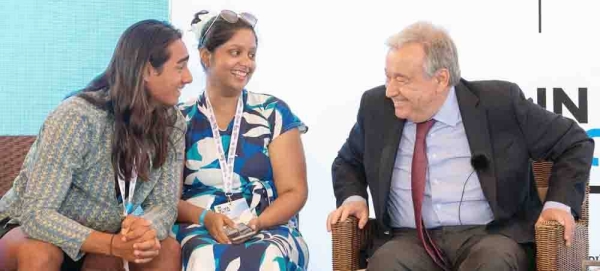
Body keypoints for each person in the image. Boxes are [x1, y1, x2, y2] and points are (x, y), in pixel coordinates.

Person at [326, 21, 594, 271]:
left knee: (493, 261)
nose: (390, 91)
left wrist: (557, 203)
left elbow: (574, 143)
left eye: (402, 80)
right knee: (386, 265)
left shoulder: (499, 102)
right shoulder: (376, 107)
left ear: (441, 79)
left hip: (490, 234)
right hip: (409, 239)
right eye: (388, 77)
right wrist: (354, 198)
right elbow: (347, 161)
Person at [0, 19, 192, 271]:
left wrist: (145, 230)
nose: (187, 78)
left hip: (105, 234)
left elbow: (164, 205)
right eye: (180, 67)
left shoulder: (173, 123)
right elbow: (37, 214)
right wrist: (111, 244)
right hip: (29, 228)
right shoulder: (77, 117)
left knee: (165, 249)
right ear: (146, 71)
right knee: (40, 253)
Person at [173, 10, 309, 271]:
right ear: (206, 56)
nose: (246, 62)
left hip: (268, 225)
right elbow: (168, 198)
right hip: (201, 226)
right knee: (204, 257)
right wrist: (207, 218)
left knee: (268, 254)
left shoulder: (273, 112)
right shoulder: (179, 118)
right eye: (235, 52)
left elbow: (295, 191)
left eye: (251, 54)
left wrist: (257, 223)